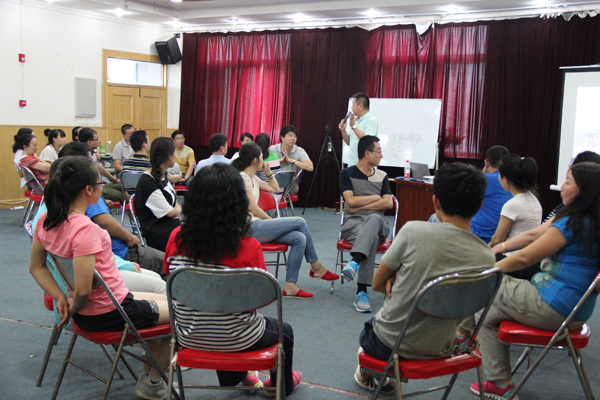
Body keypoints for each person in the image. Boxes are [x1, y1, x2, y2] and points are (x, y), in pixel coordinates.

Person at [28, 156, 171, 400]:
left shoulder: (45, 220)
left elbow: (36, 267)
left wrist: (60, 297)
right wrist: (73, 305)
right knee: (180, 312)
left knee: (167, 298)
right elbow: (84, 290)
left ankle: (150, 375)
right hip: (108, 313)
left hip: (102, 306)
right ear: (88, 190)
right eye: (100, 184)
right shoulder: (84, 229)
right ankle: (153, 381)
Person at [462, 162, 600, 399]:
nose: (562, 188)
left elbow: (524, 257)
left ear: (583, 190)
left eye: (567, 182)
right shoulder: (592, 220)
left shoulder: (571, 223)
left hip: (555, 307)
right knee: (488, 307)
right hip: (578, 312)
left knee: (484, 289)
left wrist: (485, 270)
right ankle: (485, 363)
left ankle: (488, 367)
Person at [354, 162, 492, 396]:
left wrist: (400, 278)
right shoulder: (486, 257)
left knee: (372, 328)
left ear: (435, 201)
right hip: (443, 348)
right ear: (480, 205)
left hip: (390, 345)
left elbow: (377, 284)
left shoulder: (413, 232)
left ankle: (370, 370)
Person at [164, 163, 302, 395]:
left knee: (215, 314)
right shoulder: (248, 246)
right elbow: (262, 297)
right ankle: (280, 386)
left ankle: (240, 377)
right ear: (238, 203)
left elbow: (171, 280)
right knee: (284, 331)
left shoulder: (176, 238)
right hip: (241, 338)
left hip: (188, 336)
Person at [232, 143, 338, 299]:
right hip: (248, 227)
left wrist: (268, 173)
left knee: (299, 238)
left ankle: (290, 286)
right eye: (262, 158)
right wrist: (272, 222)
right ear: (255, 160)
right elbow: (253, 209)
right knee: (299, 222)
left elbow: (276, 189)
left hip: (258, 226)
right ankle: (316, 266)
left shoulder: (253, 178)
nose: (264, 160)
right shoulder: (242, 178)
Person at [491, 150, 600, 257]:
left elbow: (529, 239)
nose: (562, 187)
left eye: (567, 182)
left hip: (519, 254)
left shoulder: (571, 218)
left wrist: (498, 249)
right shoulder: (534, 199)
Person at [339, 136, 393, 312]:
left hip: (378, 223)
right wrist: (376, 197)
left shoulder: (382, 176)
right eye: (378, 152)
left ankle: (354, 262)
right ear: (367, 153)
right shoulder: (347, 174)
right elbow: (350, 201)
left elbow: (388, 203)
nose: (381, 156)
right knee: (371, 239)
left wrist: (360, 205)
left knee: (374, 219)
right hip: (353, 224)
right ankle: (361, 292)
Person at [430, 145, 513, 243]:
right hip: (500, 235)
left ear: (486, 163)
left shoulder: (485, 179)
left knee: (434, 217)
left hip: (477, 233)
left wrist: (482, 174)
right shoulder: (511, 180)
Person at [489, 154, 542, 257]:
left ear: (505, 179)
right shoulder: (533, 198)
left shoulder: (512, 205)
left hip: (511, 256)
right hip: (531, 255)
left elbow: (497, 240)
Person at [135, 137, 181, 252]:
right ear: (169, 156)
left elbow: (173, 204)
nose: (176, 156)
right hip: (159, 233)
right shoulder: (148, 182)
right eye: (174, 152)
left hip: (170, 226)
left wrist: (175, 209)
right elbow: (170, 212)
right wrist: (178, 209)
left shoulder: (162, 175)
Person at [78, 127, 125, 204]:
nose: (98, 141)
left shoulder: (92, 153)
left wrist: (114, 179)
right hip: (94, 188)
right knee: (120, 195)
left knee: (125, 186)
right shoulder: (83, 155)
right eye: (96, 139)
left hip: (99, 184)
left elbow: (98, 167)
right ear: (89, 142)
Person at [338, 93, 379, 167]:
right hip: (352, 164)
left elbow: (367, 141)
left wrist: (353, 127)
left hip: (365, 168)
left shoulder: (371, 120)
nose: (351, 107)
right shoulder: (356, 121)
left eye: (353, 104)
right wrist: (343, 130)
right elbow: (349, 142)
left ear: (360, 106)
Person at [268, 126, 313, 195]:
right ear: (282, 137)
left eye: (295, 136)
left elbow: (310, 167)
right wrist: (279, 161)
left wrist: (293, 161)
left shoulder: (299, 150)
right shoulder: (272, 149)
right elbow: (262, 165)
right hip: (274, 181)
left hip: (290, 184)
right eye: (290, 135)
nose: (293, 138)